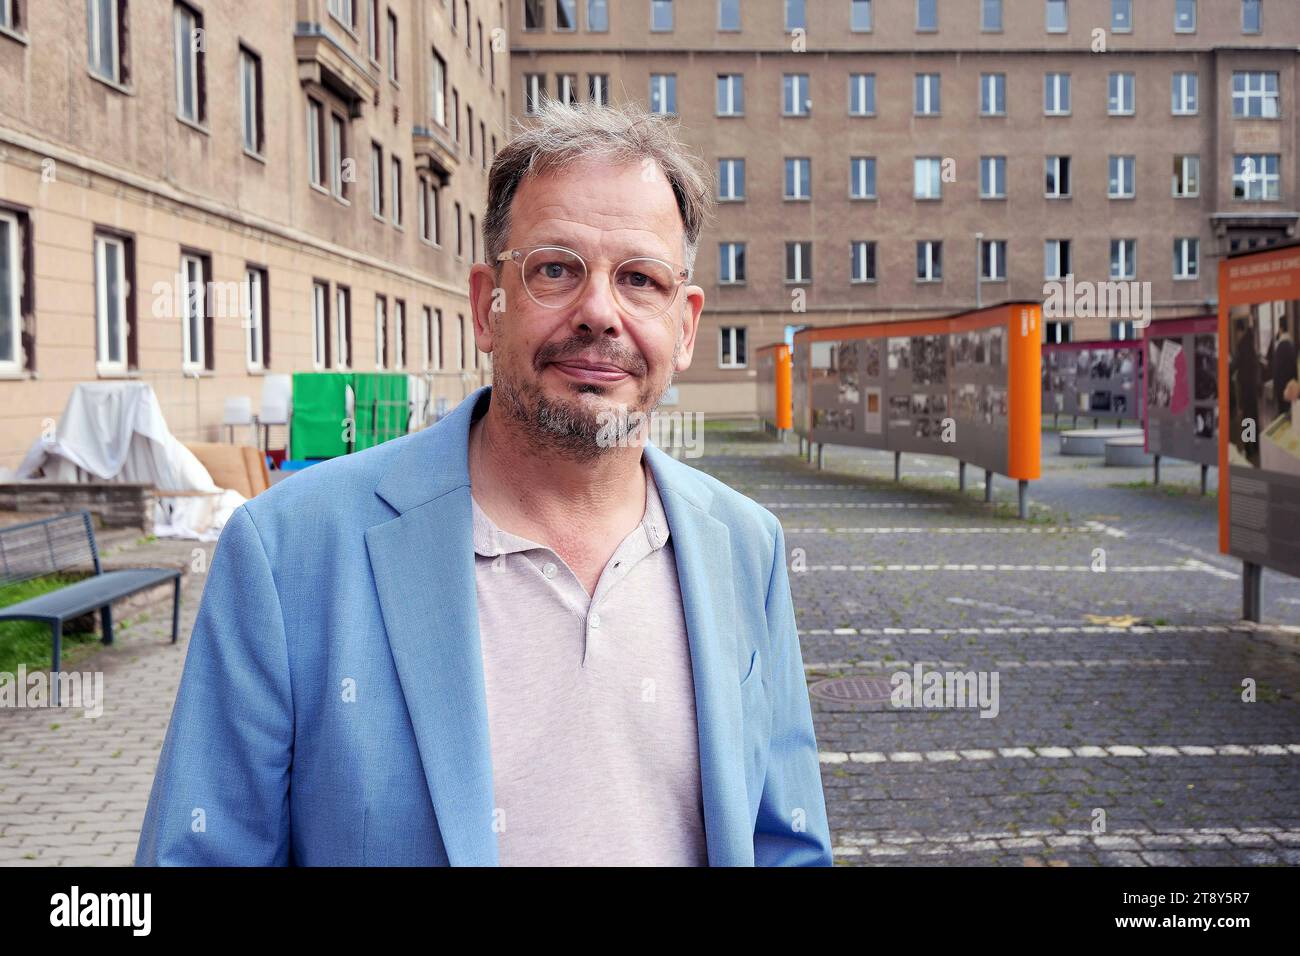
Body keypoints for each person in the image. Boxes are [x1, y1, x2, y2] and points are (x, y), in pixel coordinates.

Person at [135, 100, 832, 867]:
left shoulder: (744, 546)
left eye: (639, 278)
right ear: (485, 306)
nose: (600, 312)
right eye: (555, 270)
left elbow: (785, 843)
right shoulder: (289, 551)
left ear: (687, 324)